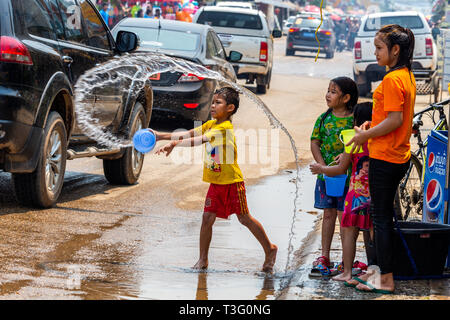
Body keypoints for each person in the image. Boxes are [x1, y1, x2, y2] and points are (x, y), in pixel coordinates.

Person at [153, 87, 278, 272]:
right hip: (216, 183)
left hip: (232, 183)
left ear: (230, 108)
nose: (212, 106)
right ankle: (203, 260)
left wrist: (174, 144)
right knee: (207, 219)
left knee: (244, 219)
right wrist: (160, 135)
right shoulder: (212, 124)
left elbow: (200, 140)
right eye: (212, 102)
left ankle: (270, 248)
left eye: (218, 103)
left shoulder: (223, 128)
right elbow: (191, 133)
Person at [345, 24, 416, 294]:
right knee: (382, 218)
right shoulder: (405, 75)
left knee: (381, 219)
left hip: (386, 158)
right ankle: (379, 272)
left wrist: (364, 137)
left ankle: (385, 278)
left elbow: (395, 120)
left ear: (395, 50)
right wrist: (370, 129)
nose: (374, 52)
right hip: (397, 154)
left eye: (379, 48)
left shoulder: (392, 79)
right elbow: (389, 119)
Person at [310, 102, 375, 282]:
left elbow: (340, 169)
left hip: (355, 196)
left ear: (356, 120)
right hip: (376, 194)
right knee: (373, 231)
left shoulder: (353, 140)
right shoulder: (379, 140)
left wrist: (320, 169)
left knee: (348, 232)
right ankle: (375, 270)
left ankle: (346, 272)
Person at [309, 77, 358, 276]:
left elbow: (360, 144)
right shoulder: (323, 119)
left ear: (346, 98)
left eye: (333, 91)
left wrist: (348, 156)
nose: (328, 95)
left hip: (347, 178)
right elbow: (314, 142)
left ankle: (348, 260)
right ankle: (325, 255)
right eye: (328, 90)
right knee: (328, 214)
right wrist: (321, 165)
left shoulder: (354, 121)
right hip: (326, 177)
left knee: (344, 217)